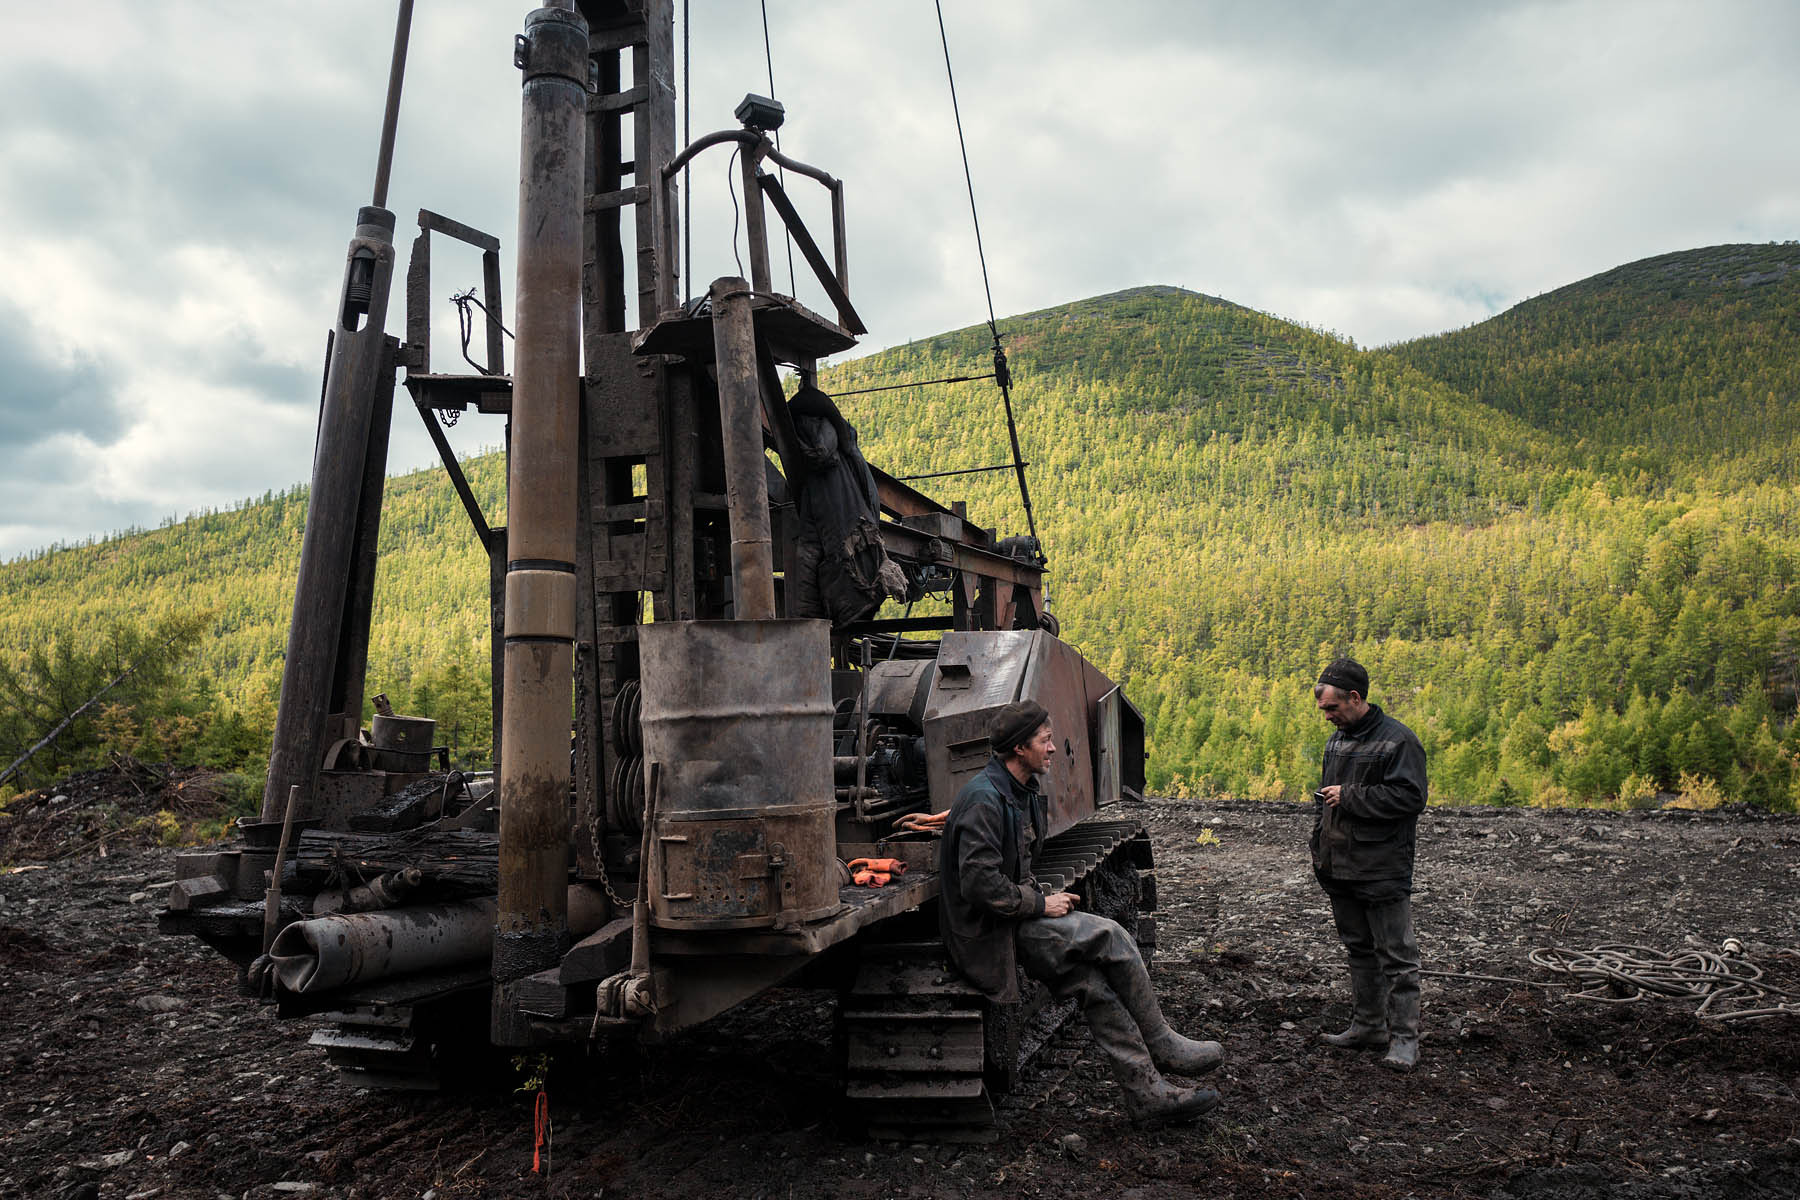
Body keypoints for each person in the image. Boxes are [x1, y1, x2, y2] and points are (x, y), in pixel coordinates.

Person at [938, 699, 1224, 1124]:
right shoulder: (984, 800)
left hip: (1008, 917)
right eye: (1045, 740)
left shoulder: (1021, 792)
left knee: (1094, 987)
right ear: (1019, 748)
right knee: (1110, 936)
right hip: (987, 932)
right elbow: (979, 886)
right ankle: (1163, 1043)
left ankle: (1148, 1095)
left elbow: (1016, 867)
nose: (1053, 749)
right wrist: (1041, 903)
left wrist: (1039, 895)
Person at [1310, 658, 1429, 1072]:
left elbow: (1410, 799)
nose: (1327, 718)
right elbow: (1330, 798)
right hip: (1340, 868)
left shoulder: (1399, 742)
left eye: (1332, 709)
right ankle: (1368, 1027)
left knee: (1396, 956)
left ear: (1355, 698)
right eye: (1324, 710)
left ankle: (1404, 1041)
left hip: (1382, 867)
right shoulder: (1337, 740)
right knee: (1359, 949)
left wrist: (1351, 797)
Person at [786, 385, 905, 626]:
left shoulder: (815, 477)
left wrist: (807, 618)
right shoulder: (846, 454)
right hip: (854, 577)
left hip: (845, 579)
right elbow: (870, 497)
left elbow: (808, 548)